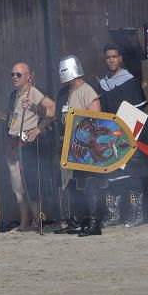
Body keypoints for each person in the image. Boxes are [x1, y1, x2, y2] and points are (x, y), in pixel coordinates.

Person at [0, 63, 55, 232]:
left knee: (30, 185)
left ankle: (37, 222)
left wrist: (38, 125)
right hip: (13, 145)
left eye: (19, 74)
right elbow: (11, 118)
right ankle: (24, 223)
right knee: (18, 188)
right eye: (12, 74)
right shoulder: (14, 95)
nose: (14, 77)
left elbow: (52, 111)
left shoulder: (35, 92)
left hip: (27, 145)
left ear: (28, 76)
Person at [99, 44, 148, 228]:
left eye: (114, 56)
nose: (111, 60)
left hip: (129, 136)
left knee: (133, 175)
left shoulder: (131, 82)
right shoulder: (102, 85)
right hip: (109, 137)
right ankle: (113, 215)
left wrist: (125, 134)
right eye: (108, 57)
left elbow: (139, 110)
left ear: (120, 58)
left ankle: (137, 214)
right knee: (111, 176)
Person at [53, 55, 103, 235]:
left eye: (62, 71)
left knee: (90, 184)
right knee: (73, 185)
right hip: (71, 146)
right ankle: (77, 221)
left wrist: (85, 138)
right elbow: (56, 114)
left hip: (86, 146)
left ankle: (94, 223)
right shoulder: (67, 92)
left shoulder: (86, 90)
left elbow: (96, 117)